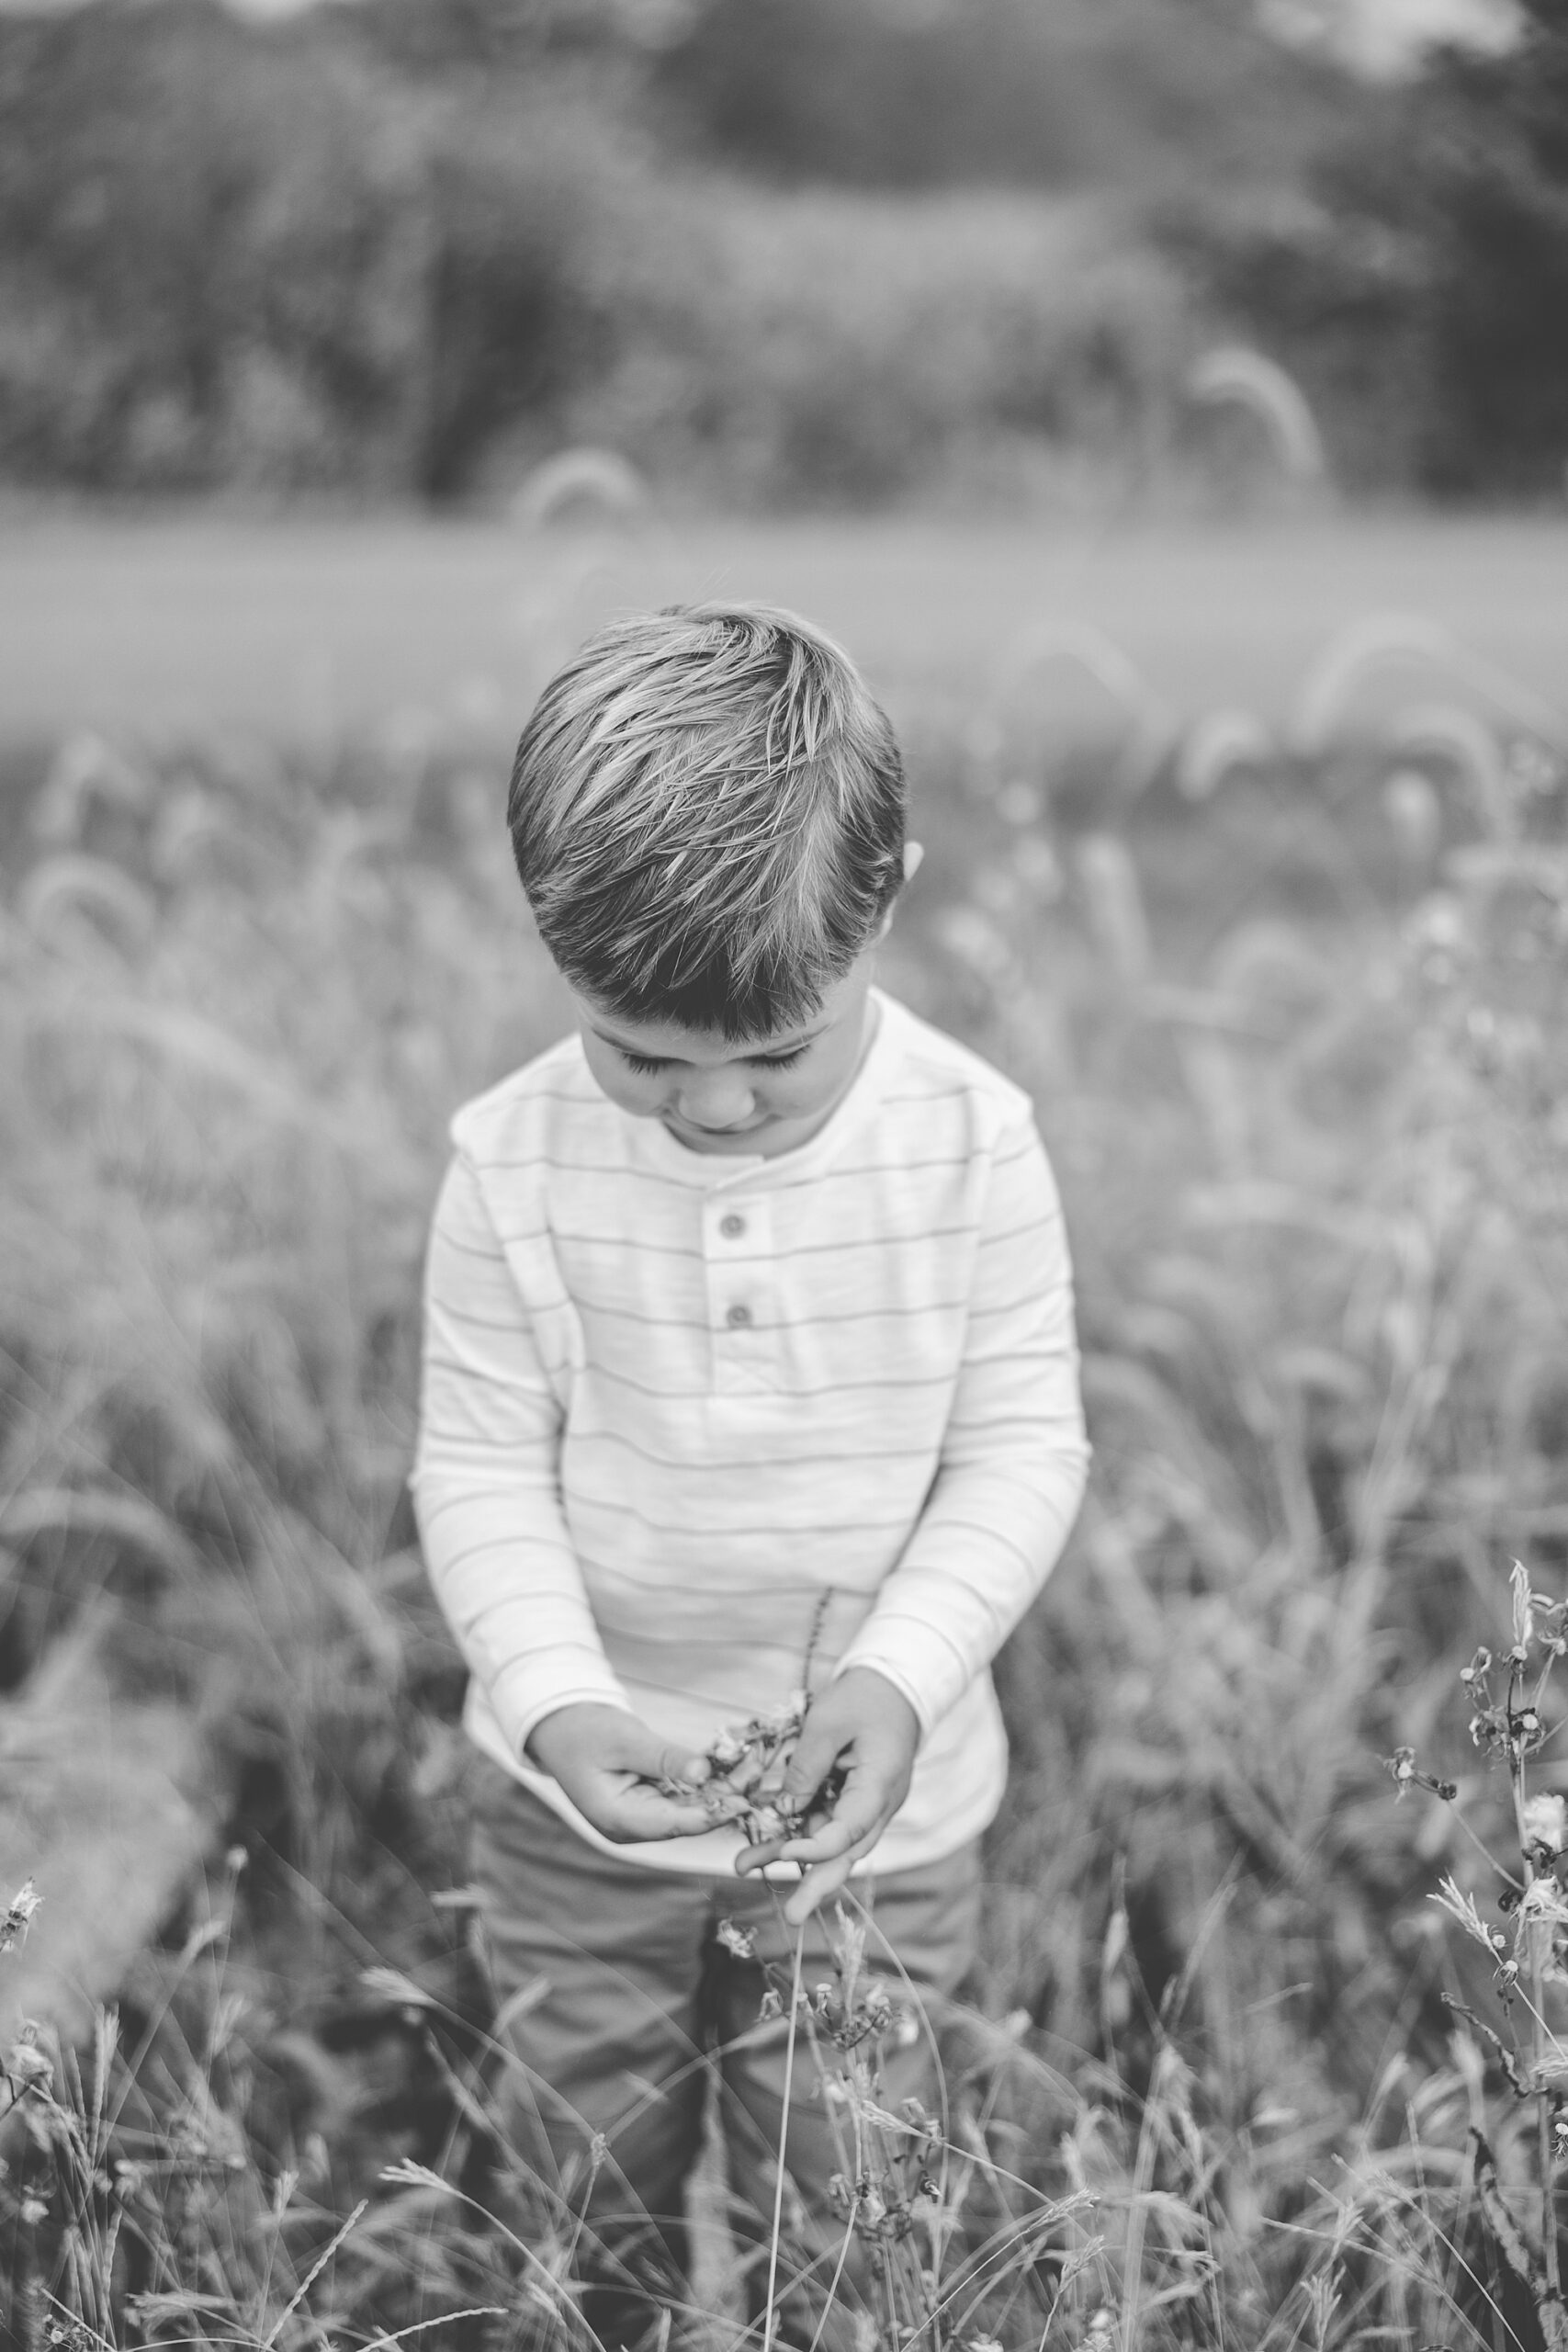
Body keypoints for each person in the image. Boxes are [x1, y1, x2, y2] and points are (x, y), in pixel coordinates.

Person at [411, 602, 1089, 2346]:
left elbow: (1023, 1449)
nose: (710, 1113)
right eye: (641, 1056)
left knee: (844, 2205)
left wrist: (902, 1672)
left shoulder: (969, 1144)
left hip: (875, 1805)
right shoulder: (510, 1167)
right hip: (580, 1808)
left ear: (890, 898)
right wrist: (558, 1705)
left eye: (774, 1058)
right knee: (581, 2181)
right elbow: (479, 1467)